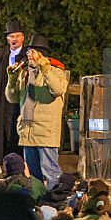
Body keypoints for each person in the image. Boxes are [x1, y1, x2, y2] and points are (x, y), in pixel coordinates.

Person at [6, 34, 69, 187]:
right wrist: (12, 79)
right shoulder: (25, 72)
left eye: (33, 52)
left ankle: (56, 201)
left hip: (45, 130)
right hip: (28, 129)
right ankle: (37, 202)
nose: (29, 55)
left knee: (50, 171)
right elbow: (11, 98)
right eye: (29, 52)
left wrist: (44, 67)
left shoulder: (55, 70)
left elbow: (58, 89)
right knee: (33, 175)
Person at [0, 20, 26, 165]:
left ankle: (21, 166)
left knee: (18, 133)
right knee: (5, 134)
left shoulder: (26, 55)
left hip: (21, 100)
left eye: (17, 36)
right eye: (12, 37)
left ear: (22, 38)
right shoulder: (2, 55)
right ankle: (7, 167)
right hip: (5, 101)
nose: (14, 40)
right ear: (7, 39)